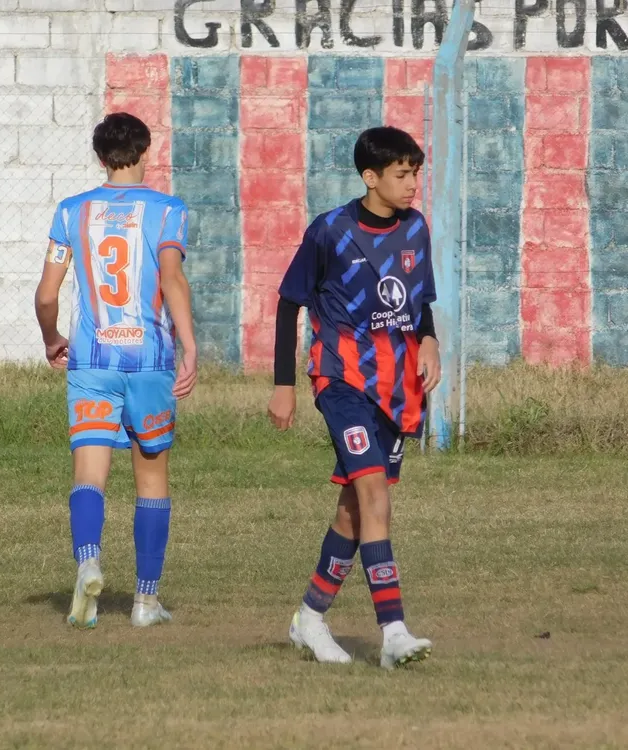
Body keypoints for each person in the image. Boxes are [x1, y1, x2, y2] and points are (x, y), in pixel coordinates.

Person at [267, 126, 442, 669]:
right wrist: (283, 386)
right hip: (340, 382)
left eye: (415, 173)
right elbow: (287, 304)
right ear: (371, 178)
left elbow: (420, 304)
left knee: (352, 510)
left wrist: (430, 341)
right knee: (374, 499)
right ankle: (393, 631)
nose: (413, 184)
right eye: (401, 174)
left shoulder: (416, 229)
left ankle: (310, 617)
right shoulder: (330, 232)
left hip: (396, 390)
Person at [34, 112, 197, 630]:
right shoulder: (169, 211)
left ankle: (88, 562)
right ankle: (146, 603)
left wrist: (52, 339)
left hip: (91, 360)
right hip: (149, 361)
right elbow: (170, 279)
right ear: (145, 152)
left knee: (89, 474)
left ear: (100, 157)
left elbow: (45, 295)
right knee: (151, 480)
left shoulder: (70, 212)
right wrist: (189, 346)